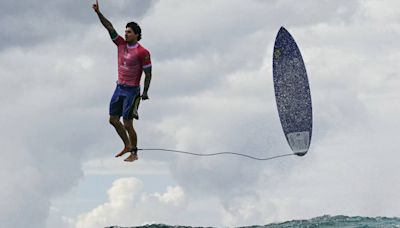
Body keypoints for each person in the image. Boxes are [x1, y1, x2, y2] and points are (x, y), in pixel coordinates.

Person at [92, 0, 152, 162]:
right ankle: (126, 145)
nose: (126, 34)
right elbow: (109, 27)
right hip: (119, 88)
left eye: (129, 32)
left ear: (137, 35)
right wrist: (98, 13)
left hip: (132, 92)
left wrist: (145, 92)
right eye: (125, 31)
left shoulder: (142, 52)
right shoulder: (120, 44)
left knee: (127, 123)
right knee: (113, 120)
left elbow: (148, 73)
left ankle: (134, 152)